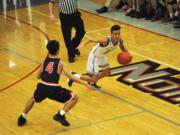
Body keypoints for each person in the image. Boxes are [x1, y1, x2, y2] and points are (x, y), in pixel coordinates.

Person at [17, 40, 91, 127]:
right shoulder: (61, 62)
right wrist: (85, 83)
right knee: (74, 98)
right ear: (58, 50)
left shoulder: (44, 61)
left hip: (42, 87)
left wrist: (47, 74)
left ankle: (22, 116)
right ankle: (61, 114)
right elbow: (71, 77)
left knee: (33, 98)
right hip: (53, 89)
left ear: (49, 51)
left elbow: (38, 76)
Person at [68, 25, 131, 89]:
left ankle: (92, 82)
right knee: (93, 79)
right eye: (115, 34)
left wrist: (129, 54)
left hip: (102, 55)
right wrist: (83, 44)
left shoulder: (119, 41)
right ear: (111, 34)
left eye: (118, 34)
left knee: (107, 72)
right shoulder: (105, 40)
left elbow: (122, 48)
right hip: (94, 56)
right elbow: (90, 39)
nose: (117, 36)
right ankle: (73, 76)